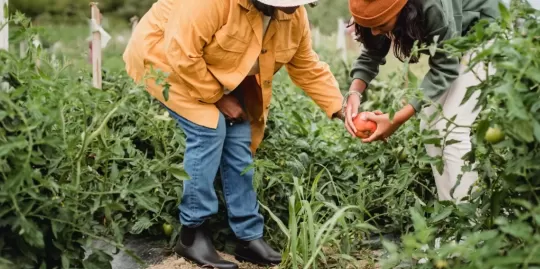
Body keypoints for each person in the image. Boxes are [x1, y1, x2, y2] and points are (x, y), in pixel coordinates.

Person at [122, 0, 344, 268]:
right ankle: (192, 234)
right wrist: (218, 98)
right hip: (165, 61)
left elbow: (307, 65)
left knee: (240, 134)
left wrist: (342, 110)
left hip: (214, 68)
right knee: (209, 128)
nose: (294, 7)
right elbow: (181, 52)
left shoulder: (293, 16)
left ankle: (248, 238)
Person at [344, 0, 499, 203]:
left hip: (486, 36)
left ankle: (471, 222)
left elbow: (445, 66)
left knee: (451, 127)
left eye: (381, 25)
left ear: (402, 10)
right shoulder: (384, 9)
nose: (374, 32)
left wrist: (397, 118)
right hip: (457, 40)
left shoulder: (431, 5)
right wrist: (354, 93)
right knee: (429, 126)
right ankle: (452, 216)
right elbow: (373, 51)